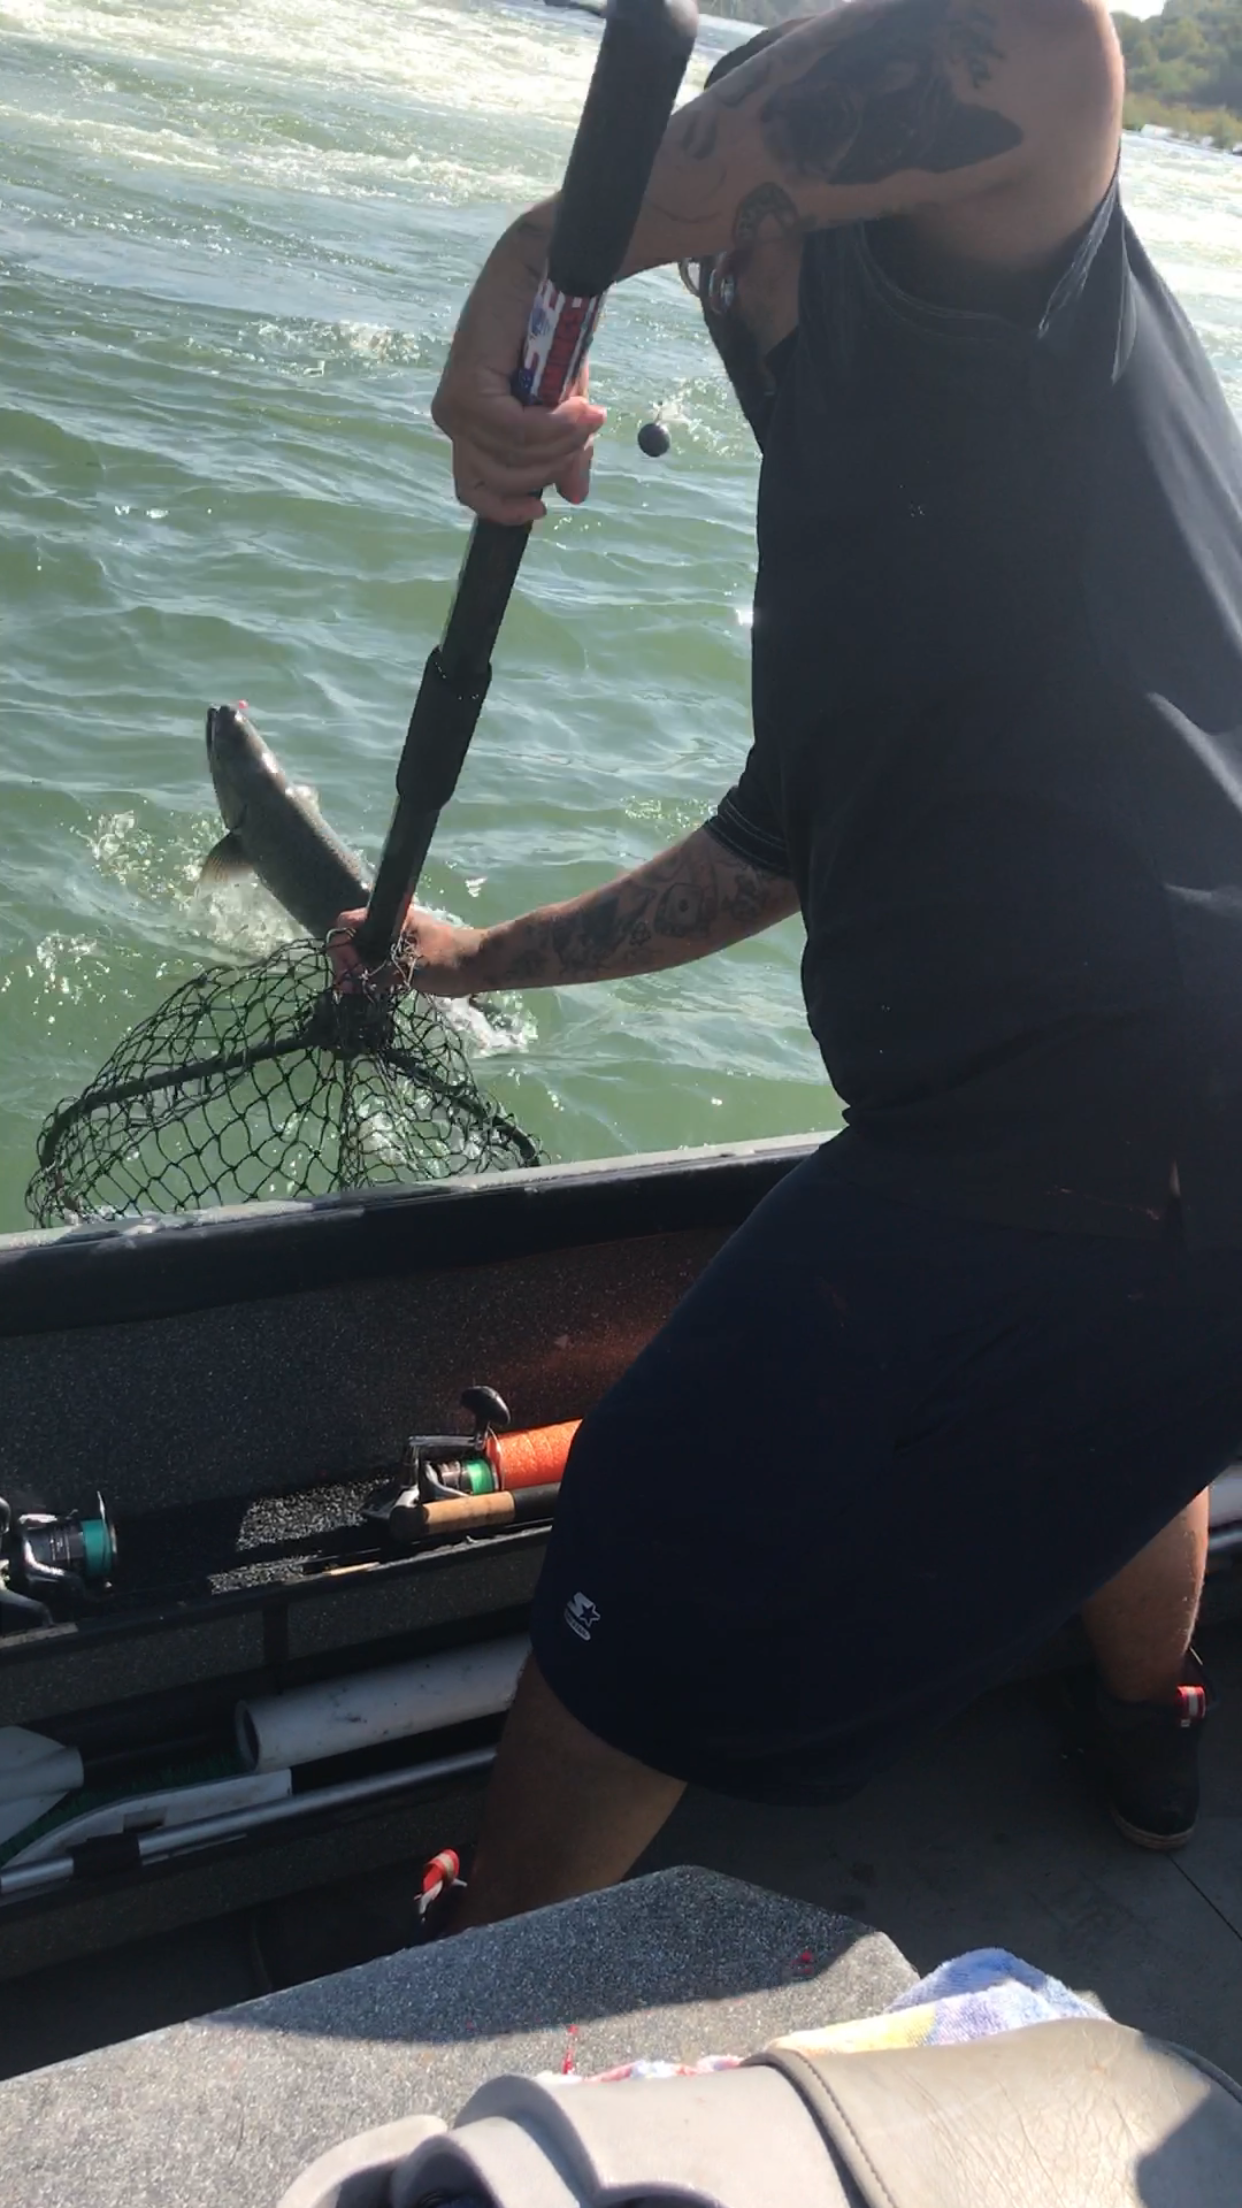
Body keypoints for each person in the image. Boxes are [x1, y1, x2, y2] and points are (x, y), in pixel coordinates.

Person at [344, 0, 1242, 1920]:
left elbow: (1034, 38)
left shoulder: (1014, 264)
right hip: (1152, 1165)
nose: (721, 277)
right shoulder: (866, 474)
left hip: (1102, 1106)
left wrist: (541, 259)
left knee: (660, 1510)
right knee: (1119, 1409)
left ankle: (481, 1942)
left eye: (738, 237)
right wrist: (463, 956)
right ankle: (1144, 1716)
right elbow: (782, 843)